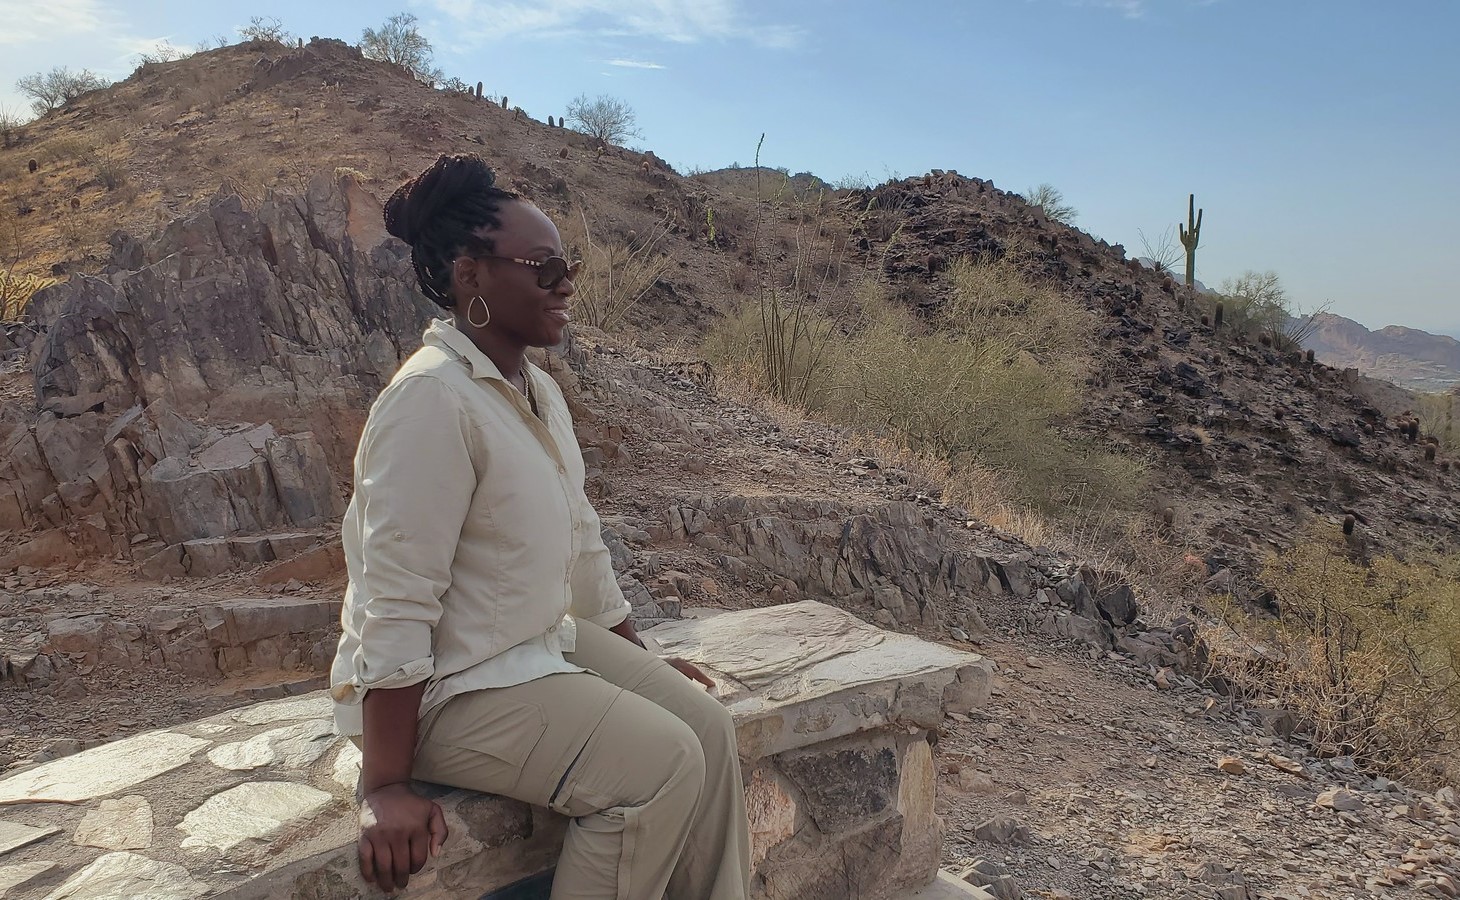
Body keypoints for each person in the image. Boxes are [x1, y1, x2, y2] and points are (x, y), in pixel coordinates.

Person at [329, 153, 751, 899]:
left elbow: (581, 541)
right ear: (471, 276)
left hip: (530, 645)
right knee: (661, 764)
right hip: (451, 688)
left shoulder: (535, 391)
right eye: (544, 267)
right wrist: (383, 784)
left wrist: (641, 664)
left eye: (569, 265)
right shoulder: (431, 401)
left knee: (708, 730)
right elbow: (392, 597)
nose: (567, 285)